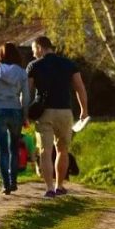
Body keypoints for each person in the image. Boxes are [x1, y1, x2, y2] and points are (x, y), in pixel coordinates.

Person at [26, 35, 88, 198]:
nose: (33, 54)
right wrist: (84, 110)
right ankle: (60, 185)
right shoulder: (69, 64)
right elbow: (80, 88)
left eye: (34, 50)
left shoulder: (34, 66)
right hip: (65, 112)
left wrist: (24, 113)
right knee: (62, 150)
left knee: (45, 151)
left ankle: (49, 189)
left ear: (40, 47)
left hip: (44, 113)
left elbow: (26, 92)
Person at [0, 42, 30, 195]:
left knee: (2, 150)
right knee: (14, 148)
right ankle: (14, 181)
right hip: (15, 111)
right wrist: (25, 115)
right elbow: (26, 96)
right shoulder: (22, 73)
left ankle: (5, 184)